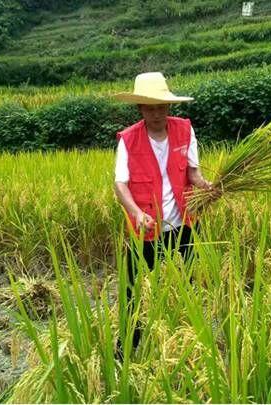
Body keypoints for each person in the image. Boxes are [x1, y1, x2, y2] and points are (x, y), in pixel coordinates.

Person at [112, 72, 212, 357]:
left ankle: (189, 343)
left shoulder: (185, 130)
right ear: (140, 109)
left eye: (161, 107)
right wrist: (136, 213)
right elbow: (120, 184)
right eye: (149, 107)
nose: (156, 113)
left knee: (190, 285)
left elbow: (193, 172)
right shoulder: (128, 140)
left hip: (184, 225)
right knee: (133, 290)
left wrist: (206, 187)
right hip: (147, 229)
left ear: (169, 106)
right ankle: (126, 350)